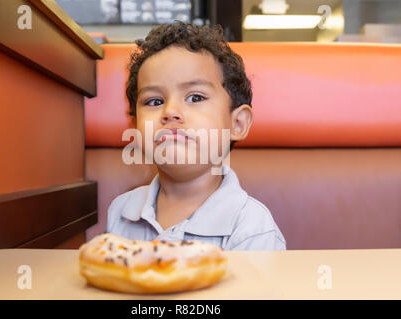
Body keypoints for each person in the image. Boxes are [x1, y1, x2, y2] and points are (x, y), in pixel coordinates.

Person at [104, 21, 286, 250]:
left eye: (195, 98)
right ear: (136, 127)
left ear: (237, 123)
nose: (170, 112)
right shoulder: (121, 211)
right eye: (154, 101)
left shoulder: (251, 229)